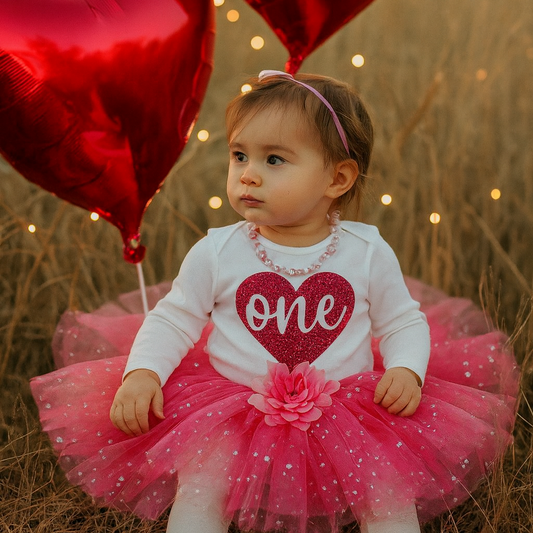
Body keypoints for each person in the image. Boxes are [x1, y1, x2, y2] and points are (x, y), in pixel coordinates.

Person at [31, 71, 519, 533]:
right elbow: (174, 319)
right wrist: (144, 373)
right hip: (230, 403)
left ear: (337, 179)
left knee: (386, 488)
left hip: (348, 403)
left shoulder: (366, 251)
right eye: (239, 155)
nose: (248, 175)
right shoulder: (219, 251)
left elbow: (401, 323)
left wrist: (406, 369)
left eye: (274, 160)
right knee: (203, 482)